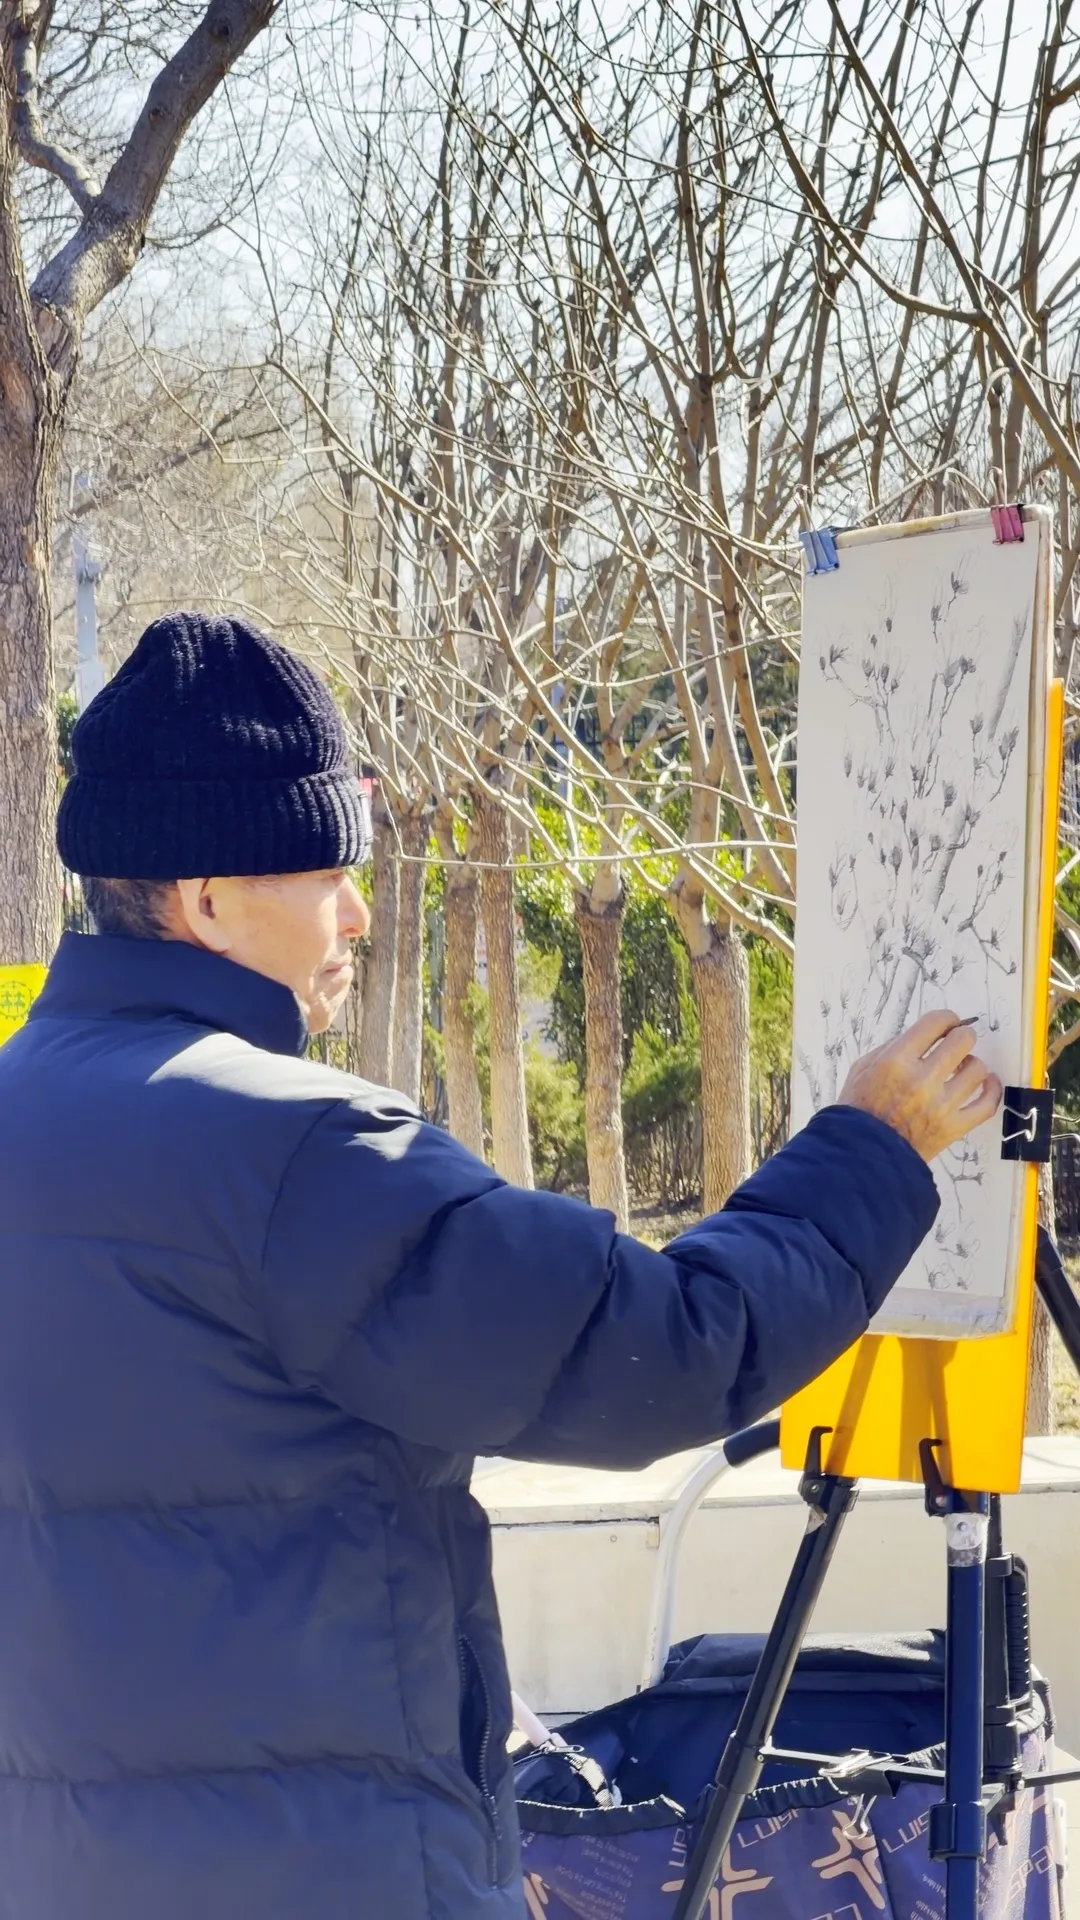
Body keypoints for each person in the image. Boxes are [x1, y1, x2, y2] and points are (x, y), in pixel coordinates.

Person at [0, 612, 1000, 1920]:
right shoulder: (296, 1153)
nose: (358, 909)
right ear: (206, 896)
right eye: (326, 872)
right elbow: (663, 1349)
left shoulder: (28, 1106)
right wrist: (876, 1149)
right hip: (332, 1875)